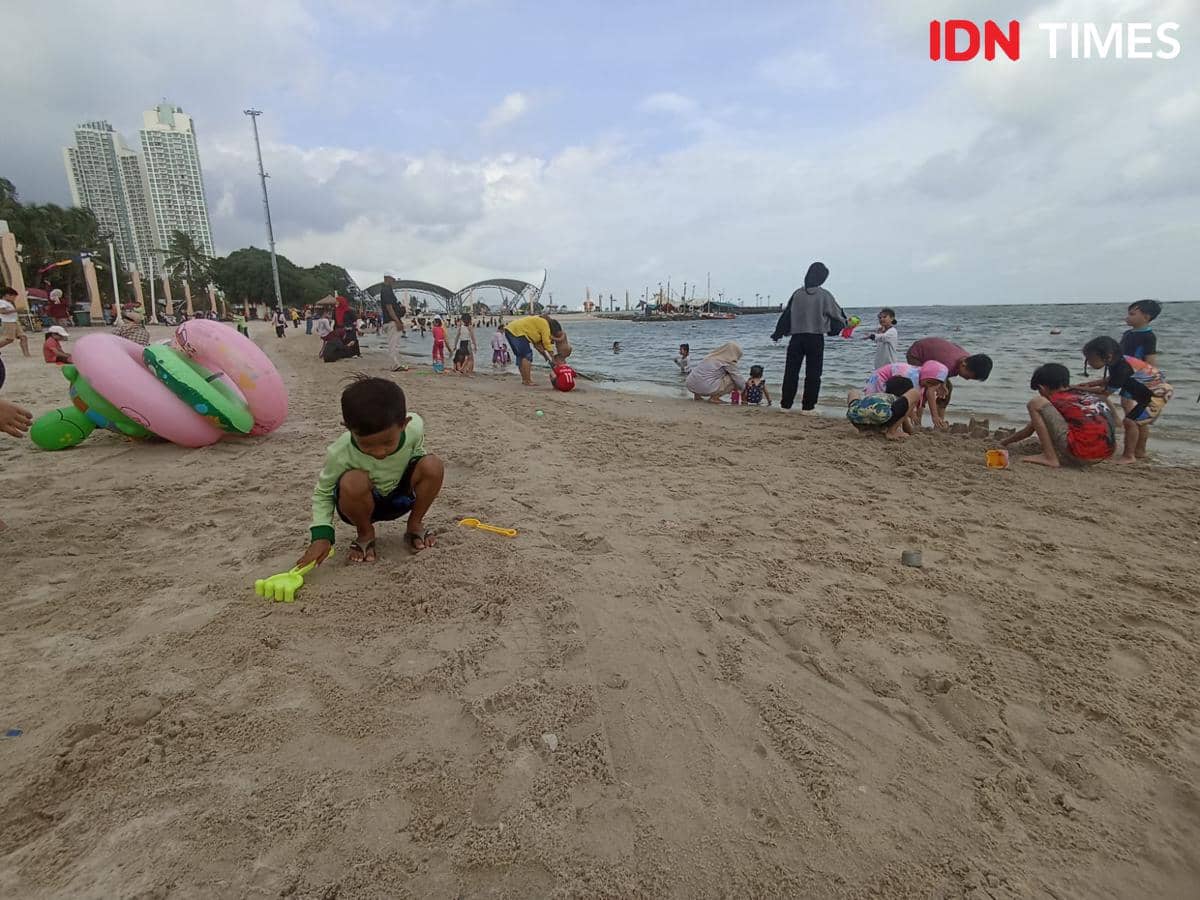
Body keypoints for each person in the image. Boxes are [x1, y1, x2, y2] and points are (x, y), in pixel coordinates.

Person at [297, 376, 444, 565]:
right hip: (359, 506)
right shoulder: (340, 452)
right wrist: (322, 535)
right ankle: (365, 533)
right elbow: (323, 492)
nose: (379, 453)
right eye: (367, 445)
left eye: (387, 443)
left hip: (401, 499)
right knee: (352, 480)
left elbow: (417, 454)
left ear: (404, 424)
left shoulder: (415, 428)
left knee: (432, 465)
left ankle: (415, 524)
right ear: (348, 429)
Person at [1075, 336, 1172, 464]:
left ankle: (1129, 456)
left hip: (1157, 395)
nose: (1089, 363)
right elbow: (1111, 379)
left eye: (1091, 359)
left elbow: (1105, 392)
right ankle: (1140, 451)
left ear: (1108, 356)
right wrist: (1090, 384)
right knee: (1140, 422)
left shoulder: (1122, 367)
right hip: (1152, 393)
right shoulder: (1118, 361)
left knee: (1130, 422)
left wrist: (1076, 388)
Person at [1000, 363, 1115, 467]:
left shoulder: (1056, 400)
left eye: (1039, 390)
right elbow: (1030, 429)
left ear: (1042, 388)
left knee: (1036, 403)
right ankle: (1053, 454)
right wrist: (1005, 442)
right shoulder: (1083, 396)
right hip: (1103, 454)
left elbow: (1028, 430)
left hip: (1082, 454)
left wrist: (1004, 442)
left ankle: (1049, 457)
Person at [772, 261, 847, 411]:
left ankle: (785, 405)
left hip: (796, 339)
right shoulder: (824, 295)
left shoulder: (797, 294)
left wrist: (778, 333)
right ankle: (808, 407)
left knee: (791, 373)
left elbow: (786, 315)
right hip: (815, 338)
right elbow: (838, 315)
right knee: (813, 375)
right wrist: (845, 324)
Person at [904, 337, 993, 427]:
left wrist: (943, 384)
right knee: (924, 388)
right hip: (917, 355)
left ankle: (940, 421)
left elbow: (941, 369)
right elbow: (929, 391)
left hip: (936, 359)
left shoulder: (965, 360)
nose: (967, 379)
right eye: (967, 376)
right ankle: (918, 422)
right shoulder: (950, 364)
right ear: (963, 365)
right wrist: (934, 416)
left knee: (947, 389)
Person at [863, 360, 948, 429]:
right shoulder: (911, 377)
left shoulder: (923, 377)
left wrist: (934, 416)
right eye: (929, 383)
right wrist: (912, 415)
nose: (929, 386)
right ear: (925, 376)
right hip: (880, 381)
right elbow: (905, 400)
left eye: (934, 385)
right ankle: (889, 426)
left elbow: (922, 398)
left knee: (898, 405)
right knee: (883, 403)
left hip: (890, 380)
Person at [846, 375, 921, 440]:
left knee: (853, 392)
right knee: (915, 393)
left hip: (855, 415)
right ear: (905, 393)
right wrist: (910, 431)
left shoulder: (881, 396)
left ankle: (864, 429)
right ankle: (892, 432)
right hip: (881, 414)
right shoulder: (896, 400)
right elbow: (905, 423)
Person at [503, 313, 566, 387]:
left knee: (520, 356)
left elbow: (538, 345)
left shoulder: (537, 324)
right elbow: (546, 343)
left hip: (510, 330)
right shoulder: (545, 324)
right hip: (518, 331)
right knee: (527, 355)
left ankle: (524, 380)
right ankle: (528, 381)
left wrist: (546, 356)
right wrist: (552, 357)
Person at [1120, 299, 1161, 365]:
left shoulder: (1148, 336)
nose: (1127, 317)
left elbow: (1150, 361)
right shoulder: (1127, 333)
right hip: (1123, 368)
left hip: (1137, 371)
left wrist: (1149, 374)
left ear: (1146, 317)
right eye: (1128, 314)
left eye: (1132, 314)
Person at [380, 275, 408, 372]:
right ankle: (395, 364)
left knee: (394, 344)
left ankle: (396, 363)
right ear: (387, 278)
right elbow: (389, 307)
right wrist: (397, 321)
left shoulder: (387, 290)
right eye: (393, 279)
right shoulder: (386, 290)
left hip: (391, 320)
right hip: (391, 321)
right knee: (393, 344)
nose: (394, 281)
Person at [1, 288, 31, 357]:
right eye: (13, 297)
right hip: (8, 322)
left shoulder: (9, 303)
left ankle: (26, 354)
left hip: (14, 321)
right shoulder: (2, 302)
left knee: (23, 337)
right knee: (9, 339)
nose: (14, 298)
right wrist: (16, 310)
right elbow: (2, 311)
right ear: (7, 295)